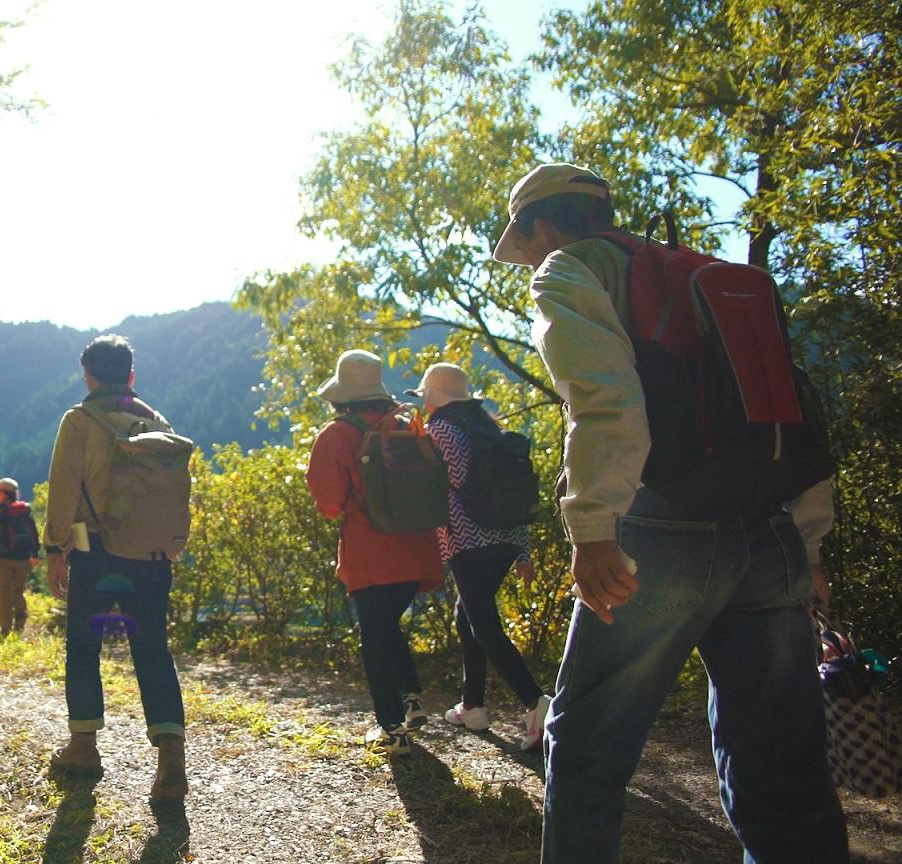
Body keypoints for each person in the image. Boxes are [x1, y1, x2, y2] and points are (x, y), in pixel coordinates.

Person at [493, 162, 847, 862]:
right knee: (783, 766)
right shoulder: (707, 273)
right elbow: (791, 410)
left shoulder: (570, 269)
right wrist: (808, 549)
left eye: (524, 241)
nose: (526, 257)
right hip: (770, 529)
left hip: (661, 531)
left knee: (590, 748)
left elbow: (606, 402)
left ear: (540, 225)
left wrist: (592, 529)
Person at [42, 335, 188, 799]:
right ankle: (170, 762)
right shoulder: (156, 421)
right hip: (151, 555)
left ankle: (83, 749)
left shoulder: (79, 421)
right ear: (130, 376)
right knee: (153, 652)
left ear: (88, 375)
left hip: (96, 553)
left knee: (84, 648)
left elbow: (63, 488)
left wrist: (53, 549)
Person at [305, 349, 444, 757]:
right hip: (417, 550)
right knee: (385, 625)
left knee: (374, 634)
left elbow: (329, 505)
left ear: (341, 396)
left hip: (371, 554)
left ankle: (391, 728)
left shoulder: (336, 435)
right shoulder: (406, 427)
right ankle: (410, 697)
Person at [410, 363, 551, 751]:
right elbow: (505, 494)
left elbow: (445, 484)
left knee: (484, 626)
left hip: (468, 542)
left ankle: (536, 704)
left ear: (433, 398)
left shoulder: (442, 431)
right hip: (505, 541)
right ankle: (472, 706)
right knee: (466, 615)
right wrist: (522, 550)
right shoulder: (488, 428)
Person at [0, 477, 39, 637]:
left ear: (3, 494)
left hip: (2, 558)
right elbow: (33, 532)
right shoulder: (24, 510)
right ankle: (20, 623)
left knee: (4, 593)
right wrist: (35, 554)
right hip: (23, 558)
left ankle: (5, 628)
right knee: (18, 591)